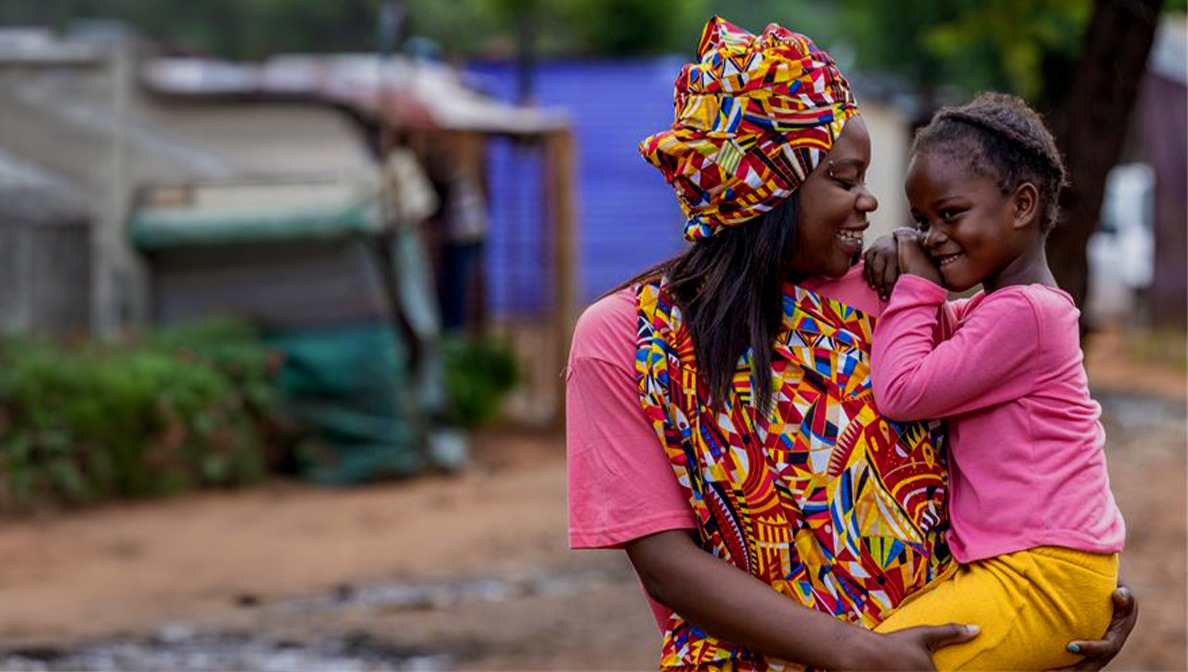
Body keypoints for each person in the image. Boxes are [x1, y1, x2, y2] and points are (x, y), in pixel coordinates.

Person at [565, 16, 1137, 671]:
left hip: (942, 646)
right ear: (767, 187)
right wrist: (859, 654)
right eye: (843, 178)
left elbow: (1023, 443)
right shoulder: (627, 340)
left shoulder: (893, 294)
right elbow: (667, 566)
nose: (870, 204)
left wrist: (1064, 605)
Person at [862, 93, 1126, 669]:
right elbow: (930, 338)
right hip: (1029, 568)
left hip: (1042, 575)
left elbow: (903, 390)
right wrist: (898, 254)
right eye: (920, 222)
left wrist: (915, 285)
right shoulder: (998, 314)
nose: (931, 237)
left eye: (950, 213)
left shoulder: (1025, 315)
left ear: (1023, 205)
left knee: (874, 661)